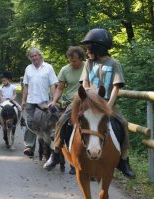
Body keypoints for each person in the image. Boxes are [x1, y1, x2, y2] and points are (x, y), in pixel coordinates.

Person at [48, 28, 136, 178]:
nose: (87, 50)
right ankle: (56, 152)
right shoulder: (88, 63)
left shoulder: (114, 63)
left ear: (98, 47)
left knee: (123, 123)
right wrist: (89, 98)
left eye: (89, 47)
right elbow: (85, 83)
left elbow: (116, 87)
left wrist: (108, 105)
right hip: (87, 101)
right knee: (62, 120)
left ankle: (123, 160)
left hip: (107, 102)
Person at [44, 46, 86, 174]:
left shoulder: (88, 67)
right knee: (60, 122)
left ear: (81, 59)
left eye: (74, 61)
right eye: (70, 60)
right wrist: (54, 100)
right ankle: (55, 153)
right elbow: (60, 88)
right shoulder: (65, 70)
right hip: (71, 102)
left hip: (87, 99)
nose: (72, 63)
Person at [21, 47, 58, 157]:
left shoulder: (48, 67)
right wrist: (23, 100)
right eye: (31, 56)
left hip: (44, 103)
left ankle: (48, 147)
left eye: (35, 55)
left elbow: (52, 84)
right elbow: (25, 85)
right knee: (30, 124)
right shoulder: (28, 68)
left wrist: (53, 100)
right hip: (31, 101)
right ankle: (29, 147)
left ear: (40, 56)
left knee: (46, 125)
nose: (33, 58)